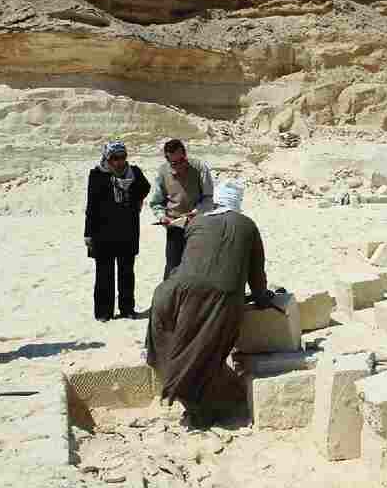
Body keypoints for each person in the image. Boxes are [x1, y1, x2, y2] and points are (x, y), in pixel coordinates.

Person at [146, 180, 268, 429]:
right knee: (205, 353)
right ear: (238, 204)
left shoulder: (197, 222)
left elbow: (192, 260)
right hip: (217, 297)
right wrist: (263, 297)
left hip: (170, 291)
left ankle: (181, 395)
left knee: (172, 345)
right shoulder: (247, 225)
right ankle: (201, 411)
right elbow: (256, 274)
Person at [84, 141, 151, 322]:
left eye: (122, 157)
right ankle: (103, 312)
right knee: (104, 274)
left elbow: (146, 188)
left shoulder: (134, 173)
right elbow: (91, 206)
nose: (119, 162)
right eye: (115, 158)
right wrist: (88, 233)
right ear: (107, 158)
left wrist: (133, 195)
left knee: (126, 273)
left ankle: (127, 309)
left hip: (127, 231)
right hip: (102, 233)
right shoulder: (97, 174)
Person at [149, 139, 214, 280]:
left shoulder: (200, 168)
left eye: (182, 160)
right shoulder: (163, 172)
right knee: (173, 268)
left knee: (197, 267)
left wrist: (196, 212)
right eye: (174, 163)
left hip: (198, 224)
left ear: (185, 155)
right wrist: (162, 217)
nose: (179, 166)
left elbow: (208, 198)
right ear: (168, 161)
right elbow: (156, 203)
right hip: (174, 226)